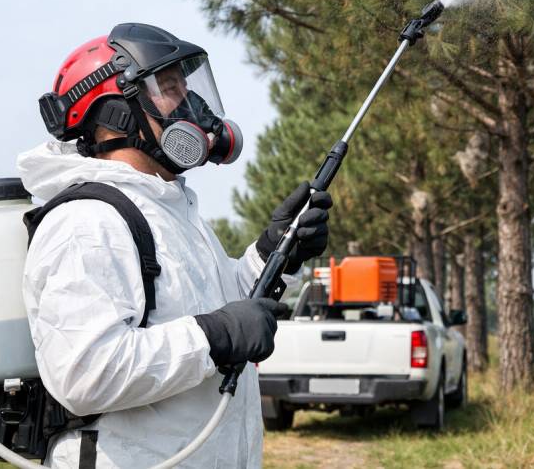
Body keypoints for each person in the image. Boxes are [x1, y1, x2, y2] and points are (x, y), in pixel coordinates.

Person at [18, 23, 332, 468]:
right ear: (114, 113)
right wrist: (215, 335)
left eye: (187, 85)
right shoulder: (86, 222)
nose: (191, 105)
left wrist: (278, 252)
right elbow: (85, 374)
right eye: (169, 87)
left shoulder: (170, 208)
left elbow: (227, 309)